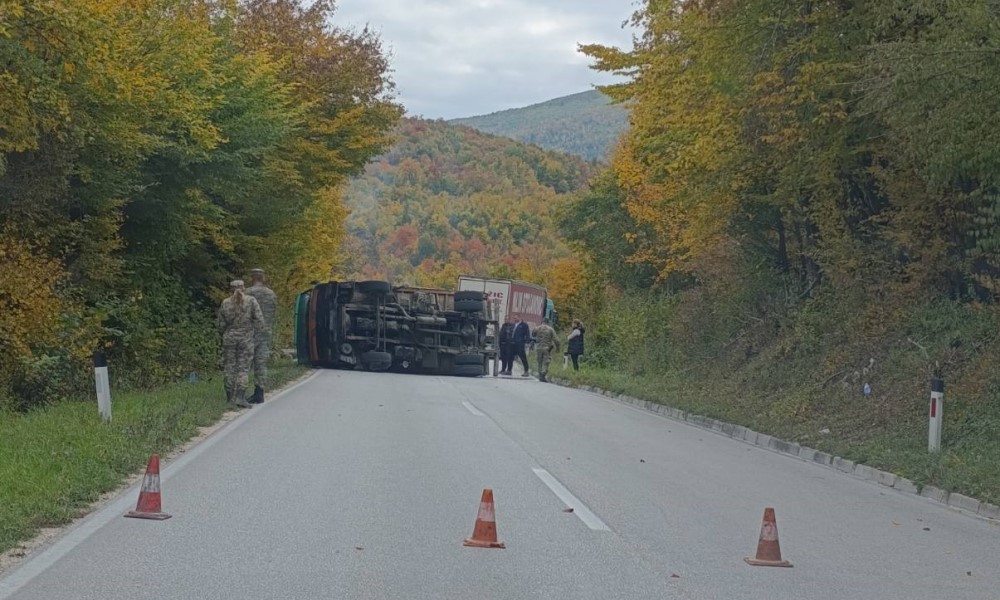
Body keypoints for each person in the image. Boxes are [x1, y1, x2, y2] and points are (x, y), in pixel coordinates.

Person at [217, 280, 263, 409]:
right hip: (246, 339)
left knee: (229, 368)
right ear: (244, 288)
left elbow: (220, 325)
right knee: (243, 369)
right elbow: (260, 321)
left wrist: (225, 334)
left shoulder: (225, 303)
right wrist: (255, 335)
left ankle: (229, 399)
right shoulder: (251, 301)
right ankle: (240, 398)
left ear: (230, 289)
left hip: (229, 338)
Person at [245, 268, 277, 404]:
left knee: (244, 362)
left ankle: (240, 392)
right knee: (261, 362)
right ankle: (259, 392)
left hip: (249, 332)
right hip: (265, 332)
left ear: (252, 277)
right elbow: (274, 313)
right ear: (263, 278)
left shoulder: (247, 293)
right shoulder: (271, 294)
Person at [532, 318, 559, 383]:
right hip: (547, 348)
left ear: (542, 321)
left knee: (539, 362)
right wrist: (558, 348)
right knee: (546, 362)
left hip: (538, 348)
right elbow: (556, 340)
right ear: (548, 322)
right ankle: (543, 374)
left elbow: (533, 335)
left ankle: (540, 375)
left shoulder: (537, 328)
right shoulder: (550, 329)